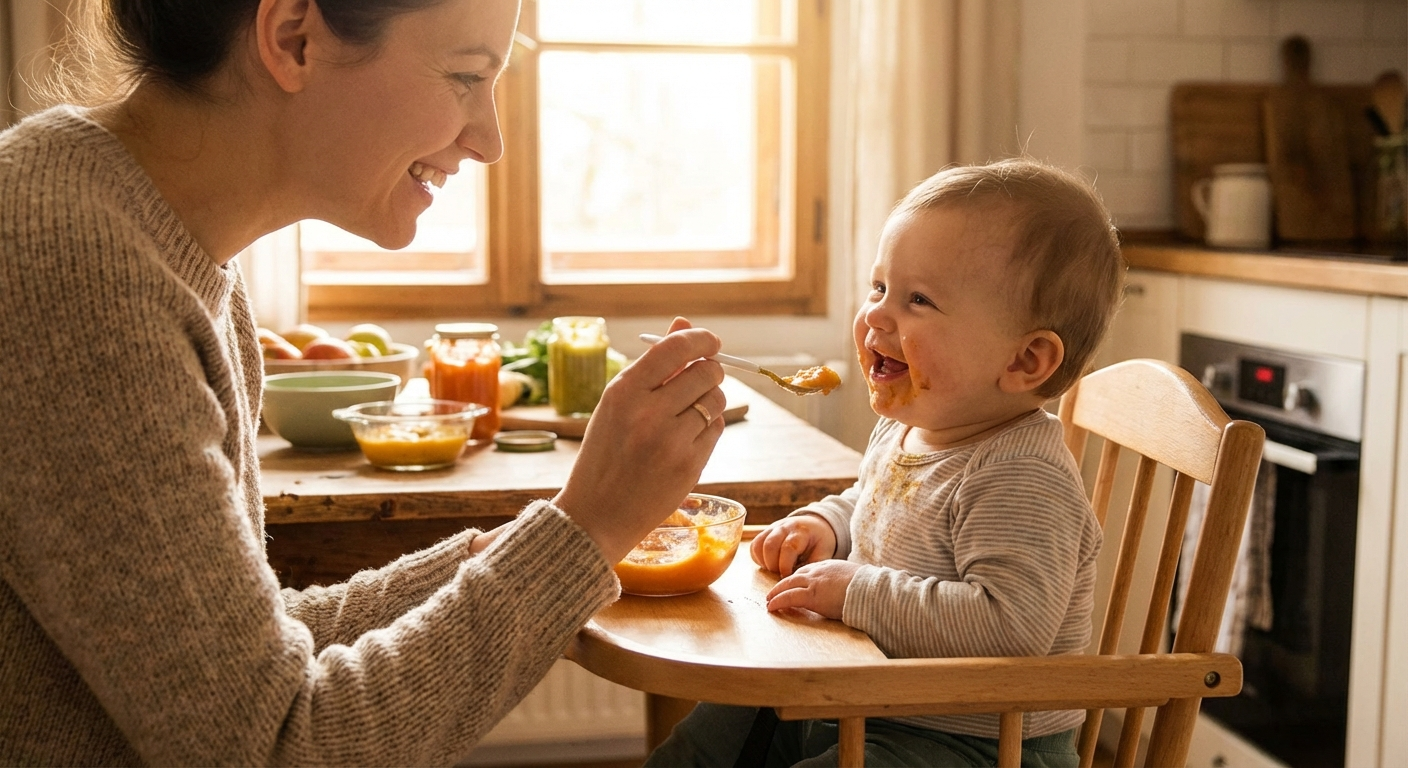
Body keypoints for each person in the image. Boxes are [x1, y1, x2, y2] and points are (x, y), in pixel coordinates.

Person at [0, 0, 729, 764]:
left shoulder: (164, 245)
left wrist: (538, 538)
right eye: (465, 76)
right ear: (294, 39)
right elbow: (276, 744)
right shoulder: (70, 266)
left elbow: (242, 660)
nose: (489, 140)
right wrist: (585, 531)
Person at [646, 158, 1126, 768]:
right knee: (714, 730)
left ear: (1026, 360)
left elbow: (1010, 626)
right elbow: (877, 504)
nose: (876, 314)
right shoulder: (910, 427)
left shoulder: (1021, 476)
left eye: (918, 299)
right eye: (879, 288)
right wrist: (827, 523)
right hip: (868, 699)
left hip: (973, 741)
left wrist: (857, 592)